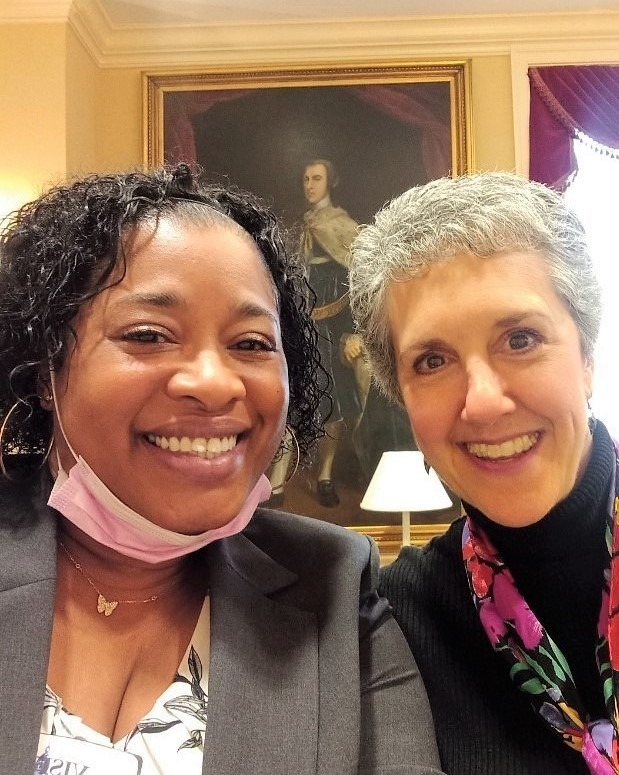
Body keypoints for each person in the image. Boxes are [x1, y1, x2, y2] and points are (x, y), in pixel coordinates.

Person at [0, 165, 444, 774]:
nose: (214, 383)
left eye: (252, 344)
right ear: (44, 369)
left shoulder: (336, 588)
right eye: (149, 335)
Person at [349, 171, 616, 775]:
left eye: (520, 339)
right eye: (432, 360)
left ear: (587, 357)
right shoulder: (393, 622)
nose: (484, 402)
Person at [300, 158, 366, 507]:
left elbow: (359, 285)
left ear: (330, 182)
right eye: (306, 179)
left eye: (317, 178)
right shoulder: (303, 225)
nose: (310, 185)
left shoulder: (343, 226)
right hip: (304, 322)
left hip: (334, 324)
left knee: (334, 399)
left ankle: (326, 475)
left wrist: (353, 331)